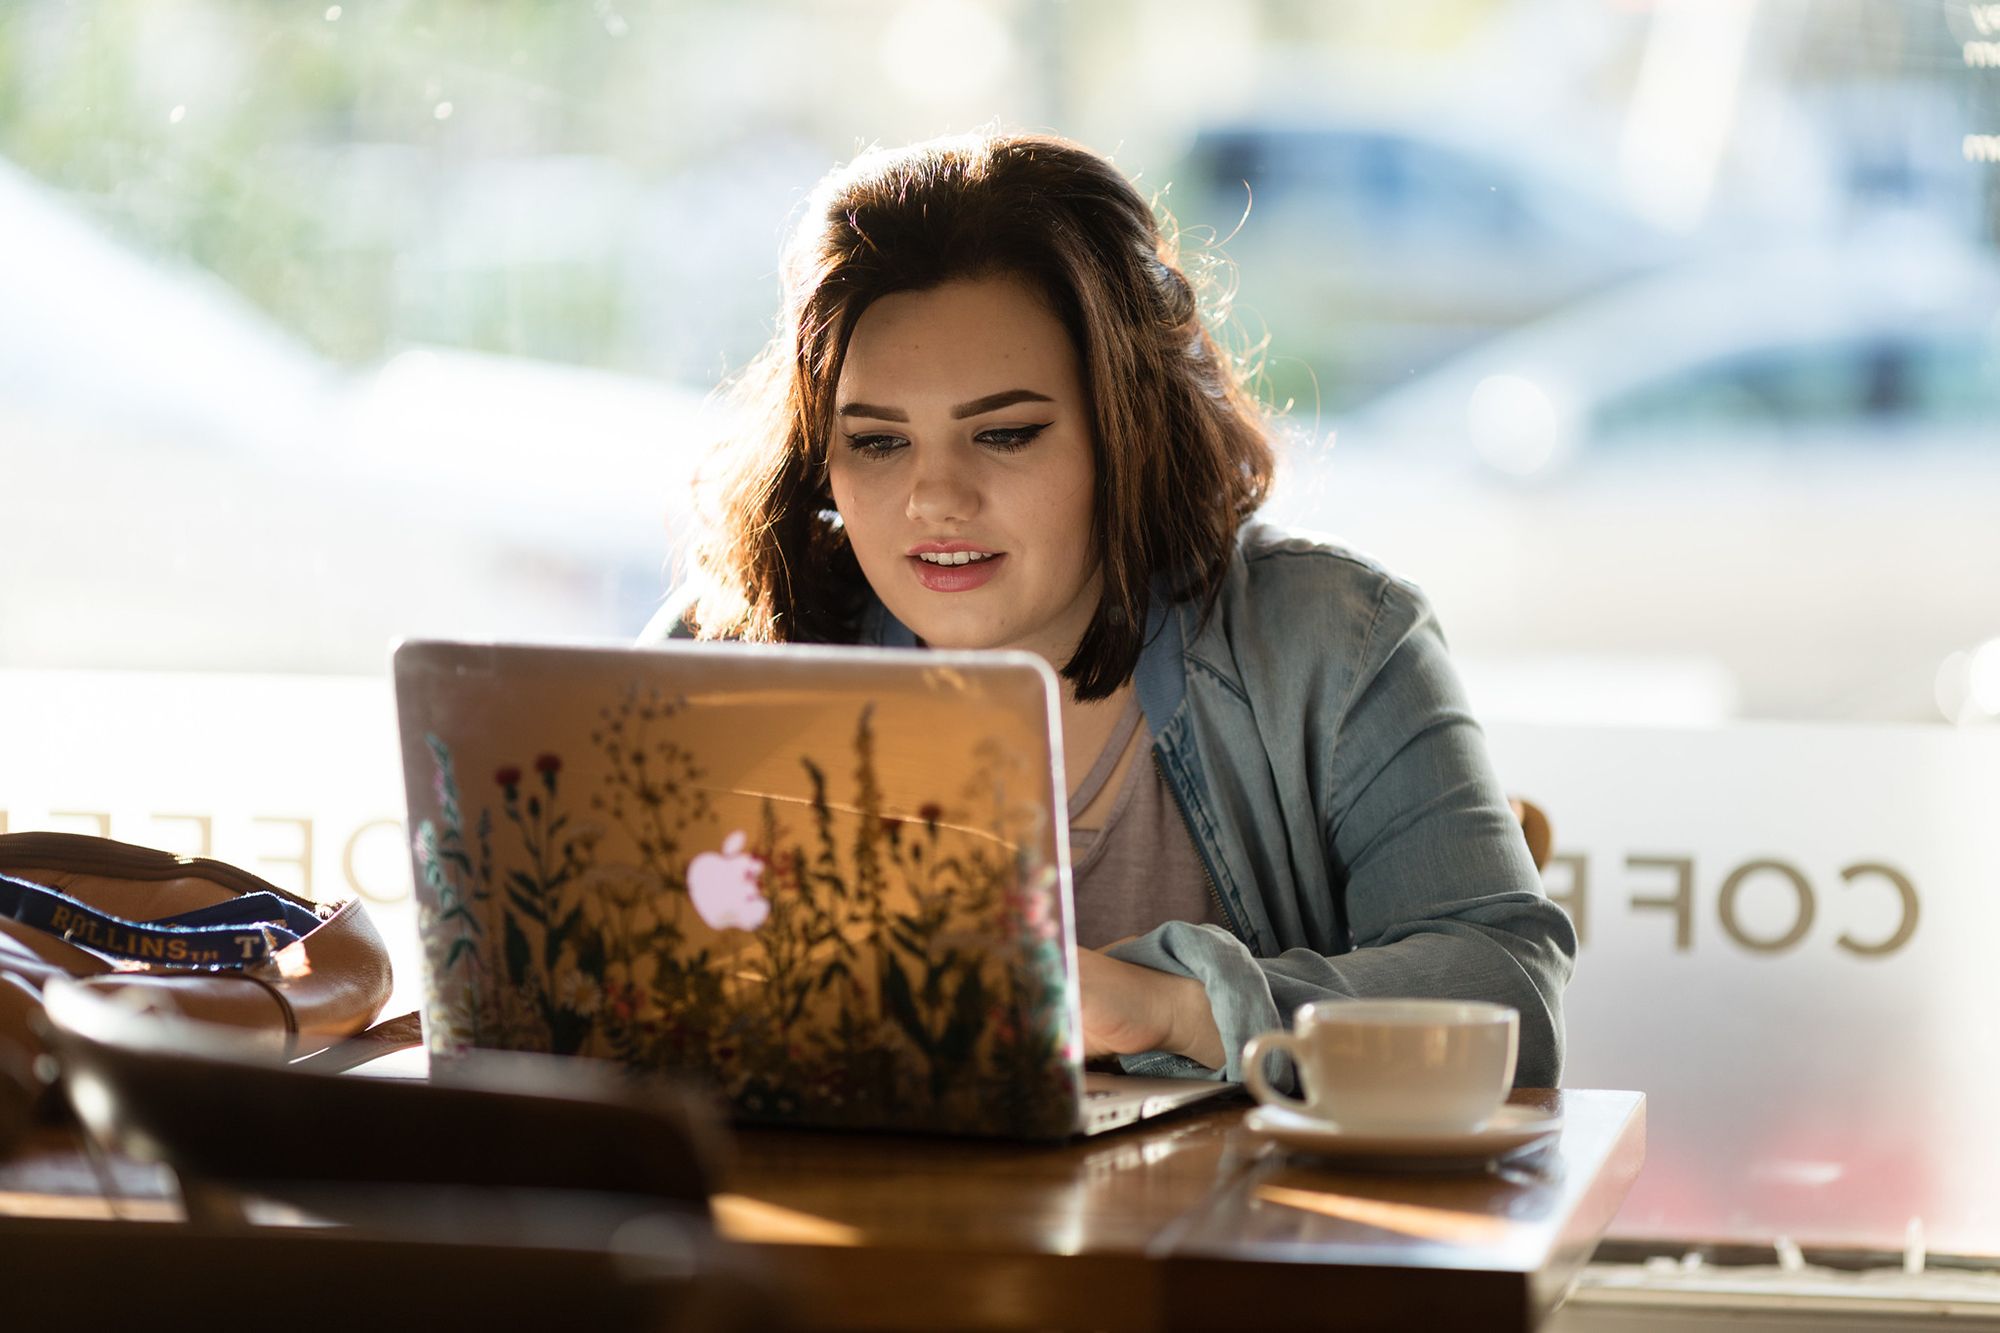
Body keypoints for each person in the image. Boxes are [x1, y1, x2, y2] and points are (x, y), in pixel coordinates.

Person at [647, 130, 1575, 1087]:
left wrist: (1172, 1005)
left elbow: (1510, 996)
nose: (935, 499)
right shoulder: (734, 642)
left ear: (1130, 428)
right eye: (880, 443)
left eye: (1004, 433)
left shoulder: (1340, 642)